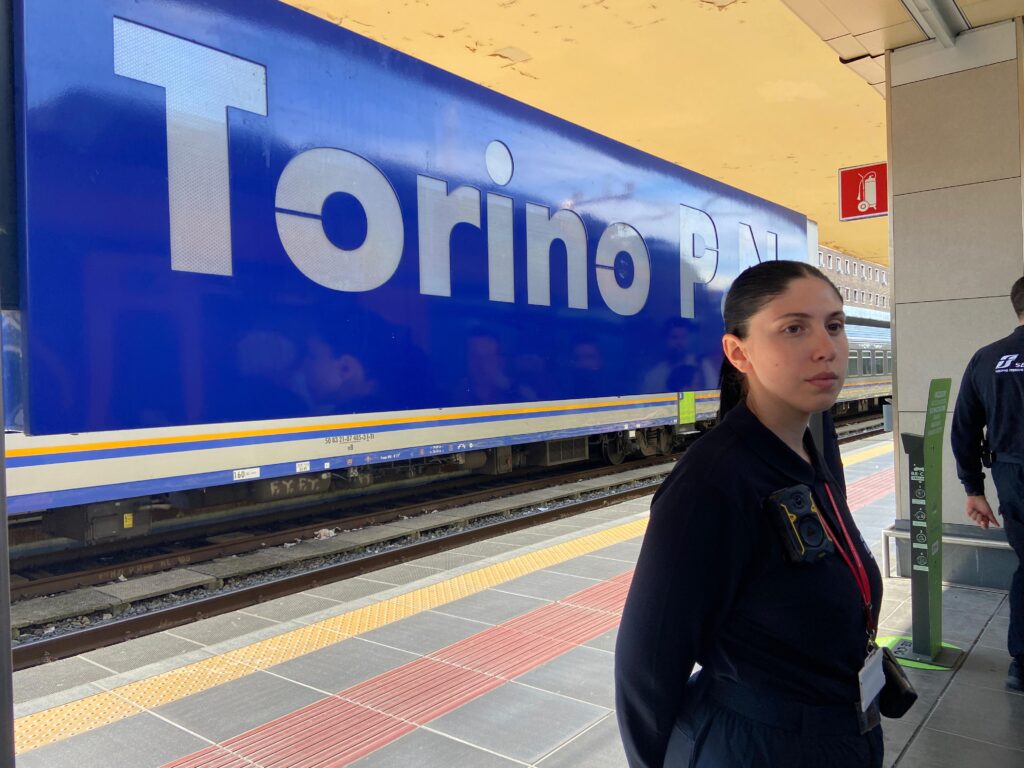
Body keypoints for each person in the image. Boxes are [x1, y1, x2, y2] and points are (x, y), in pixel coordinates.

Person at [615, 260, 884, 767]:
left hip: (835, 732)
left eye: (834, 325)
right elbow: (646, 665)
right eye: (794, 328)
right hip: (756, 748)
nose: (826, 347)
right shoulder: (712, 480)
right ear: (739, 353)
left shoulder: (813, 448)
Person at [950, 275, 1024, 692]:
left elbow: (964, 428)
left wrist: (973, 489)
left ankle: (1022, 665)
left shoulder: (988, 358)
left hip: (1013, 476)